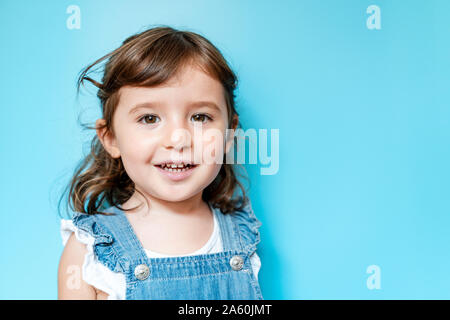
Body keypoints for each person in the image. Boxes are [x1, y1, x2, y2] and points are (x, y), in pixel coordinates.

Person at [57, 25, 263, 300]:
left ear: (229, 135)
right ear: (111, 138)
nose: (178, 140)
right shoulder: (89, 249)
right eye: (149, 119)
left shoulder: (242, 235)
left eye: (200, 117)